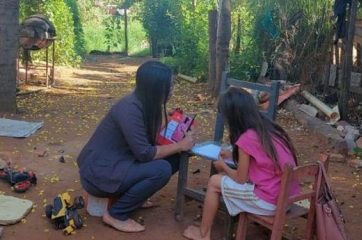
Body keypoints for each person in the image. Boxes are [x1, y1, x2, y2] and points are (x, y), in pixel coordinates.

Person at [77, 61, 195, 233]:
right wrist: (180, 145)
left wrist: (173, 123)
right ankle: (116, 214)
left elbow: (150, 139)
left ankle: (134, 198)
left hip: (119, 163)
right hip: (100, 174)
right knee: (162, 169)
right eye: (169, 86)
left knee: (176, 158)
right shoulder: (129, 108)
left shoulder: (147, 104)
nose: (172, 89)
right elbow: (145, 153)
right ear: (155, 89)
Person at [183, 87, 299, 240]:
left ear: (233, 116)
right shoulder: (268, 128)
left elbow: (240, 178)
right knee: (224, 179)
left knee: (214, 182)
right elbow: (261, 157)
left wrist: (223, 166)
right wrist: (233, 155)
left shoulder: (246, 138)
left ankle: (203, 234)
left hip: (270, 202)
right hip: (288, 199)